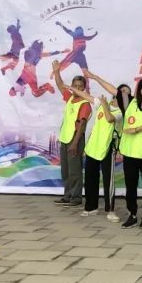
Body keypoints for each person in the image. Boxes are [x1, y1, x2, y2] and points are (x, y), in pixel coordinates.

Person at [89, 70, 142, 229]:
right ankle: (132, 214)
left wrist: (136, 129)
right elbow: (113, 89)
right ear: (140, 88)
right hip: (129, 151)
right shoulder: (130, 103)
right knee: (130, 185)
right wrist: (95, 77)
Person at [65, 81, 130, 222]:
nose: (125, 94)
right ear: (116, 93)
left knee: (108, 181)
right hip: (93, 147)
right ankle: (91, 207)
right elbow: (86, 96)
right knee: (90, 179)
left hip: (108, 148)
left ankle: (110, 210)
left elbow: (109, 118)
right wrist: (71, 88)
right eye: (123, 91)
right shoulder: (102, 103)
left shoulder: (123, 111)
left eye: (127, 93)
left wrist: (105, 105)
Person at [51, 60, 91, 208]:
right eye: (75, 86)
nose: (78, 88)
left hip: (75, 140)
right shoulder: (70, 98)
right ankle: (67, 195)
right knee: (66, 170)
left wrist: (74, 143)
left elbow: (82, 125)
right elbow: (60, 85)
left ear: (84, 88)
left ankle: (76, 197)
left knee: (75, 170)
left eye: (81, 86)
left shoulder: (85, 103)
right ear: (72, 86)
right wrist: (57, 72)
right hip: (65, 139)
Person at [52, 21, 98, 88]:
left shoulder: (78, 35)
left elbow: (67, 30)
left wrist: (95, 35)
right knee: (63, 65)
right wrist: (60, 24)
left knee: (85, 71)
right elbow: (67, 30)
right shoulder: (78, 36)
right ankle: (53, 74)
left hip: (78, 55)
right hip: (76, 54)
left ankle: (87, 87)